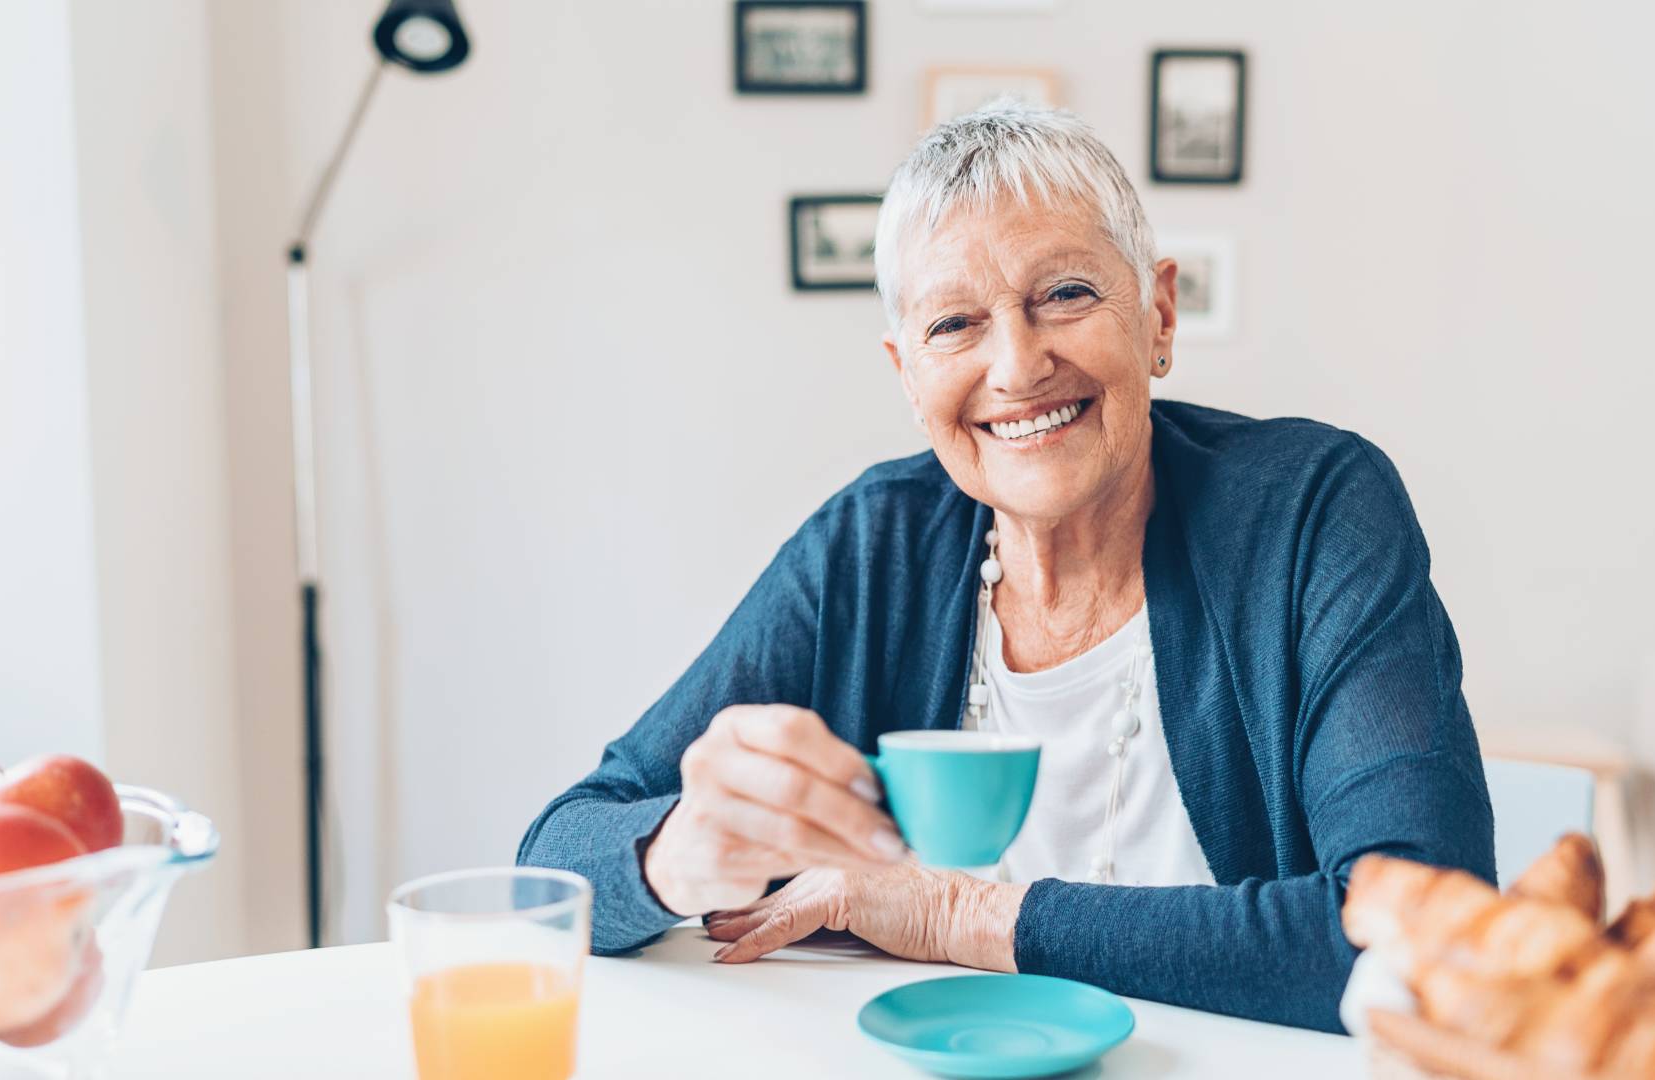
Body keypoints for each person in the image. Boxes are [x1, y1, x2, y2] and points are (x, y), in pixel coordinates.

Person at [517, 102, 1493, 1033]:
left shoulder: (1310, 509)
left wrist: (958, 916)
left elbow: (1424, 936)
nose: (1019, 367)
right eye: (955, 324)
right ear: (907, 373)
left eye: (1064, 294)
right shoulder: (872, 546)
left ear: (1157, 314)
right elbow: (554, 864)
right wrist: (678, 853)